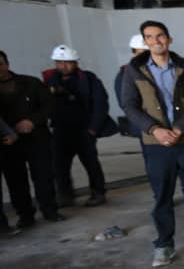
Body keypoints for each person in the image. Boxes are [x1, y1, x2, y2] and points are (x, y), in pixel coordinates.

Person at [121, 20, 184, 266]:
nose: (156, 41)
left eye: (160, 35)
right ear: (145, 42)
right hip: (156, 144)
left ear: (169, 39)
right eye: (150, 37)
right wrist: (155, 129)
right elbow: (129, 106)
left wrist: (178, 128)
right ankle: (164, 245)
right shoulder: (133, 71)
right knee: (162, 196)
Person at [42, 44, 116, 208]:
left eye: (67, 62)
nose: (63, 66)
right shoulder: (50, 81)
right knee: (59, 165)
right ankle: (65, 195)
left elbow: (100, 104)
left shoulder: (88, 80)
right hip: (61, 129)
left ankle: (98, 192)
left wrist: (93, 128)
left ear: (75, 62)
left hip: (84, 129)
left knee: (90, 163)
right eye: (59, 62)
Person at [0, 50, 62, 227]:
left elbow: (49, 105)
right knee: (16, 181)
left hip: (37, 138)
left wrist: (32, 121)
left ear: (7, 64)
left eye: (0, 64)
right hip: (9, 144)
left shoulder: (30, 83)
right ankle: (25, 215)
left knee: (43, 176)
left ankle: (50, 210)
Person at [116, 33, 148, 137]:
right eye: (141, 53)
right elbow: (127, 104)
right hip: (145, 126)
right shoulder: (125, 74)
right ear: (133, 53)